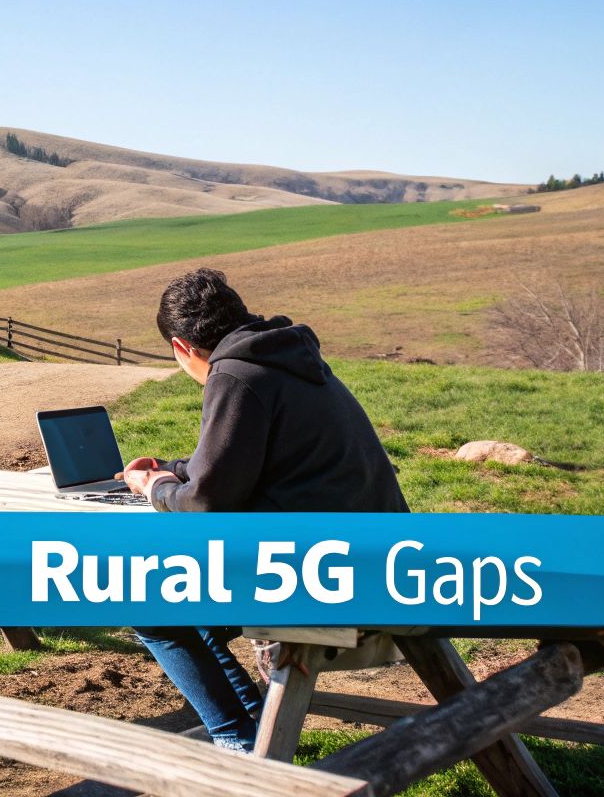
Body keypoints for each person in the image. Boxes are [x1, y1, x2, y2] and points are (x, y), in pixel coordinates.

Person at [117, 268, 409, 752]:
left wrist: (157, 488)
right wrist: (174, 469)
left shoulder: (233, 374)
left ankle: (237, 743)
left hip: (329, 579)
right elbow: (244, 463)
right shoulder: (287, 358)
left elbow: (207, 504)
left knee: (152, 607)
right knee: (192, 605)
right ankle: (254, 728)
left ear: (180, 346)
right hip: (380, 557)